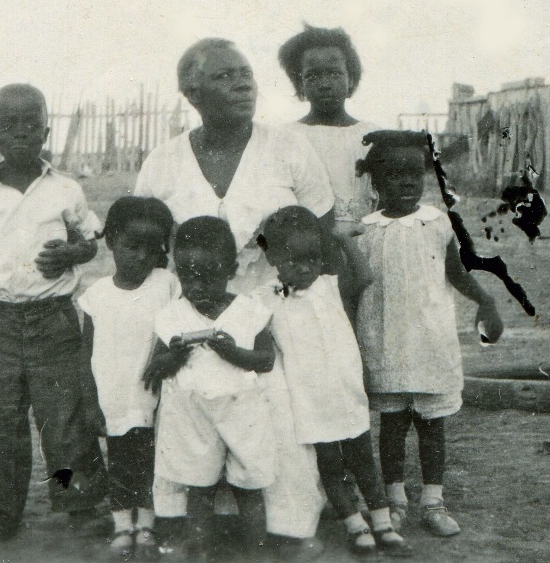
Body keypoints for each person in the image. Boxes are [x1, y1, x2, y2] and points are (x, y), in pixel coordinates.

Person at [133, 38, 335, 555]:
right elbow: (149, 246)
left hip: (271, 307)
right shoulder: (164, 161)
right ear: (191, 91)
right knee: (189, 415)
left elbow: (321, 230)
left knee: (277, 414)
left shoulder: (287, 148)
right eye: (224, 76)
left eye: (246, 73)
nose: (243, 84)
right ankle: (191, 525)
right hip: (194, 307)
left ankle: (285, 525)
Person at [0, 84, 106, 543]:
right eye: (9, 125)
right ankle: (3, 509)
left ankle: (77, 502)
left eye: (31, 123)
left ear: (47, 130)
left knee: (63, 417)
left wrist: (71, 253)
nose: (21, 132)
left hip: (53, 321)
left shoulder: (66, 189)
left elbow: (91, 240)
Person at [353, 130, 506, 538]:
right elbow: (352, 290)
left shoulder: (437, 223)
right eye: (393, 175)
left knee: (432, 425)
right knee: (391, 426)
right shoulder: (363, 231)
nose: (405, 182)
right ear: (375, 182)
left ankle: (433, 501)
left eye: (414, 175)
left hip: (430, 342)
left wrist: (485, 301)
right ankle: (395, 500)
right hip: (383, 343)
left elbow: (455, 273)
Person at [257, 206, 409, 556]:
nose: (304, 268)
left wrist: (342, 240)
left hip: (346, 392)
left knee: (362, 459)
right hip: (310, 400)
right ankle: (354, 524)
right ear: (275, 258)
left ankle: (383, 522)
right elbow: (251, 320)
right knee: (331, 464)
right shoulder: (272, 297)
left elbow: (366, 276)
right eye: (292, 261)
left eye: (312, 259)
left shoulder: (328, 285)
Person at [142, 217, 277, 560]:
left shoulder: (249, 311)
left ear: (231, 270)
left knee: (248, 485)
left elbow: (265, 360)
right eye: (188, 276)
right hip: (191, 415)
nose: (197, 286)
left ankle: (256, 549)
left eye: (208, 276)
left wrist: (234, 353)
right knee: (198, 486)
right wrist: (173, 356)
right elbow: (156, 369)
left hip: (242, 411)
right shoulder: (173, 315)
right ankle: (198, 549)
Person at [78, 196, 180, 559]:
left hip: (155, 394)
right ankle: (123, 524)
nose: (141, 257)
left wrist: (168, 354)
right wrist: (90, 402)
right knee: (120, 460)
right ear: (111, 241)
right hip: (115, 396)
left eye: (152, 249)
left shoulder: (166, 283)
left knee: (153, 461)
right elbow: (86, 354)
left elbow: (178, 329)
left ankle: (148, 524)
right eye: (132, 246)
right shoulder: (96, 296)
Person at [278, 25, 381, 233]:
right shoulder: (287, 137)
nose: (324, 84)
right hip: (309, 246)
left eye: (334, 73)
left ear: (351, 78)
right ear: (300, 84)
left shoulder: (371, 136)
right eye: (312, 76)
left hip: (364, 242)